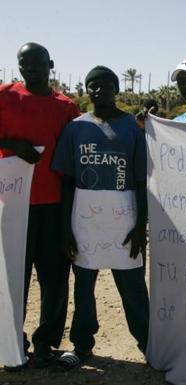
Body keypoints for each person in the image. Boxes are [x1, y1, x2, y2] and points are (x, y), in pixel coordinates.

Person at [51, 66, 149, 370]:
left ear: (116, 89)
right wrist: (67, 228)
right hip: (85, 221)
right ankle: (82, 345)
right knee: (83, 287)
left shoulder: (134, 129)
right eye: (92, 85)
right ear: (86, 89)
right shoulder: (75, 128)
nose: (98, 89)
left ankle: (150, 345)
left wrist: (140, 226)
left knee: (133, 288)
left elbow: (143, 182)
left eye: (105, 84)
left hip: (125, 221)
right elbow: (67, 181)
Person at [0, 42, 80, 370]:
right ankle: (12, 344)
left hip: (52, 206)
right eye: (24, 63)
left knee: (54, 280)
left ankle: (45, 344)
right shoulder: (4, 95)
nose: (30, 68)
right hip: (11, 206)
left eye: (37, 62)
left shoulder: (66, 107)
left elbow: (74, 154)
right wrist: (11, 144)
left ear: (50, 64)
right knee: (11, 280)